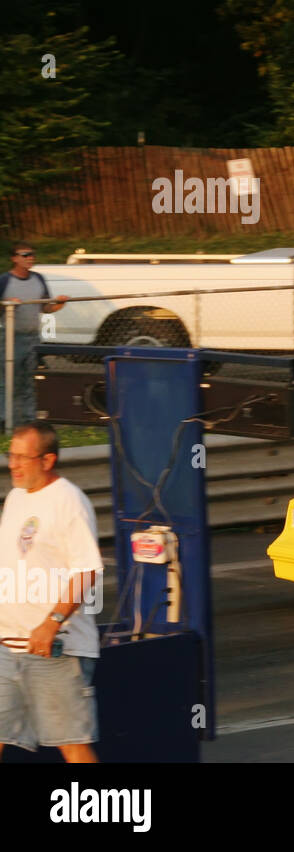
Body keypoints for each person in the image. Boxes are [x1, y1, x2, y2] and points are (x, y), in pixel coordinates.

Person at [0, 422, 102, 762]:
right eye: (10, 455)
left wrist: (52, 622)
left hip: (56, 648)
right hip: (7, 645)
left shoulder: (69, 502)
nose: (12, 464)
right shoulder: (15, 497)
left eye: (21, 458)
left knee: (70, 743)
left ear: (47, 460)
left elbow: (87, 570)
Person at [0, 242, 69, 429]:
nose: (30, 258)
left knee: (29, 380)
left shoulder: (38, 279)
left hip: (33, 338)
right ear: (14, 258)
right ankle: (5, 421)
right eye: (25, 254)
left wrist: (60, 304)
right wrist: (6, 304)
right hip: (10, 338)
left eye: (32, 254)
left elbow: (45, 308)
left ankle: (28, 421)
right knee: (8, 381)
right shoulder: (5, 281)